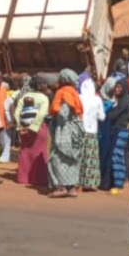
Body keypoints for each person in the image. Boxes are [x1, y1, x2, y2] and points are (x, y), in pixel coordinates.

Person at [47, 69, 84, 198]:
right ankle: (72, 188)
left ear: (63, 80)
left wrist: (54, 117)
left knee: (56, 158)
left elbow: (63, 113)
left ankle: (60, 187)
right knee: (72, 159)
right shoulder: (74, 93)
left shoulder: (63, 93)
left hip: (64, 130)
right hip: (75, 130)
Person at [14, 76, 50, 186]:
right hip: (39, 128)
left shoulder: (24, 97)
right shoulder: (44, 98)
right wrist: (33, 127)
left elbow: (17, 113)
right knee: (39, 152)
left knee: (25, 151)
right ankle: (38, 179)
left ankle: (23, 177)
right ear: (39, 86)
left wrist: (21, 127)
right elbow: (42, 114)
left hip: (24, 128)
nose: (46, 86)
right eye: (44, 83)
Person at [78, 77, 105, 191]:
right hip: (92, 131)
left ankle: (76, 181)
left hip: (79, 131)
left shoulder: (78, 97)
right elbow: (102, 117)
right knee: (90, 157)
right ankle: (89, 183)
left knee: (79, 156)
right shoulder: (97, 99)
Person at [108, 78, 129, 195]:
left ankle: (118, 183)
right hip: (119, 130)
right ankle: (118, 181)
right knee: (118, 155)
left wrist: (108, 112)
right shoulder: (121, 100)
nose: (117, 89)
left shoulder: (123, 101)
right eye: (116, 87)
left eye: (119, 87)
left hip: (120, 130)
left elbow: (113, 115)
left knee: (116, 156)